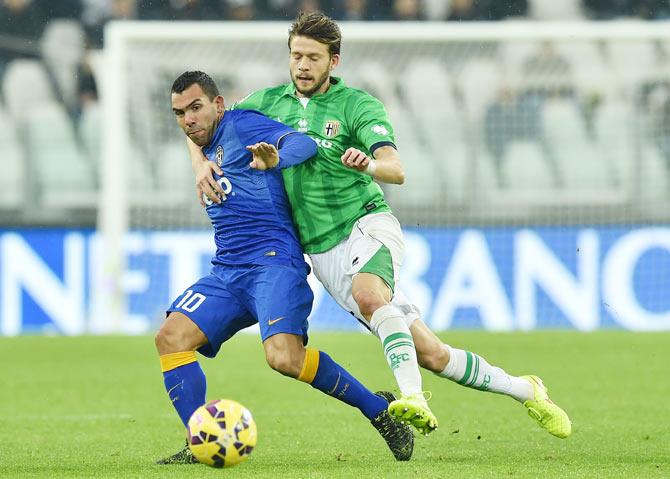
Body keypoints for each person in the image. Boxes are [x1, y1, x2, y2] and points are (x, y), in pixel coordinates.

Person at [188, 11, 572, 440]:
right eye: (296, 55)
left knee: (370, 295)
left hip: (366, 223)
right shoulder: (264, 103)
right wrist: (200, 163)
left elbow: (396, 168)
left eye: (313, 57)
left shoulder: (357, 105)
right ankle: (526, 389)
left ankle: (414, 399)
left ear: (334, 62)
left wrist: (369, 163)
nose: (302, 65)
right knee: (431, 352)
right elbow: (199, 121)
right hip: (320, 252)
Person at [156, 70, 413, 464]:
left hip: (274, 263)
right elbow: (194, 130)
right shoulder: (204, 142)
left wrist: (277, 158)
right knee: (171, 337)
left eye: (195, 108)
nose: (188, 119)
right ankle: (200, 439)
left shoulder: (241, 126)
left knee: (284, 358)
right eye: (179, 113)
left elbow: (303, 144)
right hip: (228, 270)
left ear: (219, 105)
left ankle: (378, 411)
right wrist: (196, 160)